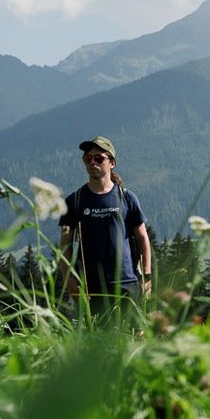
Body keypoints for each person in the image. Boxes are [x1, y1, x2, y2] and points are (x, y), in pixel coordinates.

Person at [58, 135, 151, 319]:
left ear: (112, 163)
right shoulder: (74, 201)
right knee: (97, 337)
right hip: (90, 287)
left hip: (127, 282)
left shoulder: (127, 198)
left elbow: (142, 238)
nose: (93, 162)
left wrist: (146, 277)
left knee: (131, 335)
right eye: (88, 158)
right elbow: (65, 247)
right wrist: (71, 283)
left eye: (99, 158)